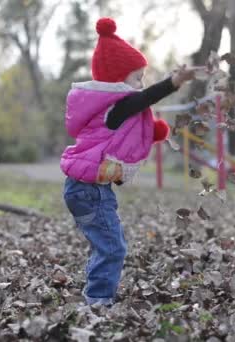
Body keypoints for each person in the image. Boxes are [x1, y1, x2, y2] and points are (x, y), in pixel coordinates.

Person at [60, 17, 197, 306]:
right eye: (136, 78)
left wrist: (155, 133)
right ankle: (97, 299)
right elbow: (144, 99)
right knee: (113, 248)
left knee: (106, 245)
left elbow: (130, 132)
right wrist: (173, 81)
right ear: (117, 79)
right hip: (89, 191)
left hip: (85, 188)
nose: (140, 85)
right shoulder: (117, 107)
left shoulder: (108, 113)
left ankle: (94, 293)